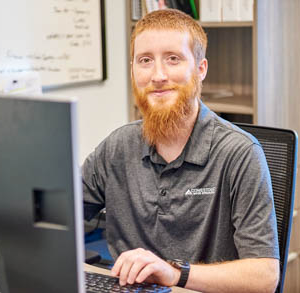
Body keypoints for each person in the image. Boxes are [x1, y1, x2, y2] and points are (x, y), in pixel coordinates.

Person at [82, 9, 279, 293]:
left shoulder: (240, 153)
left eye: (173, 59)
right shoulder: (117, 146)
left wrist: (174, 273)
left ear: (200, 69)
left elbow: (265, 277)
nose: (158, 75)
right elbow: (58, 216)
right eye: (145, 60)